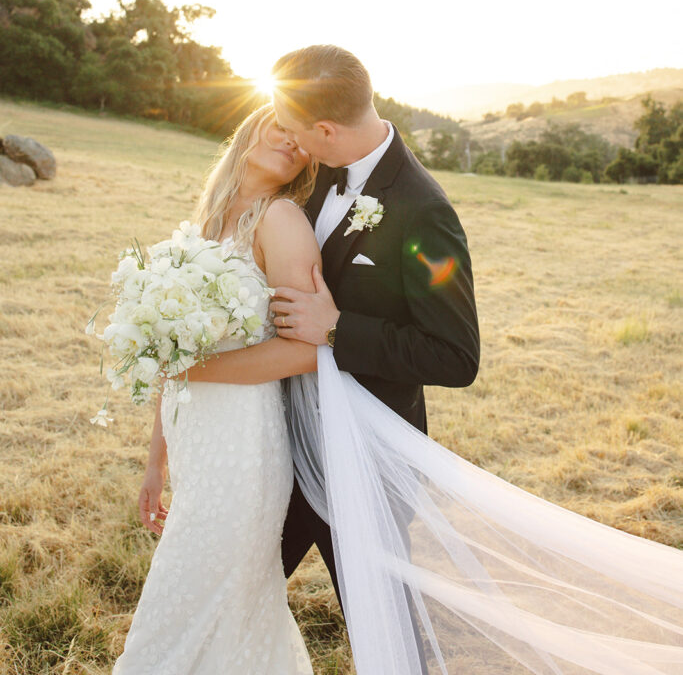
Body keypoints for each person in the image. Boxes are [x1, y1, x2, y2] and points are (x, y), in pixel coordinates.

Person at [177, 47, 683, 675]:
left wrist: (338, 329)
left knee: (382, 623)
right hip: (282, 437)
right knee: (234, 584)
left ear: (326, 130)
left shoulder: (423, 210)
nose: (292, 145)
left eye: (297, 132)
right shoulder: (322, 178)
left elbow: (455, 354)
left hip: (360, 452)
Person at [114, 104, 320, 675]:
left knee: (187, 601)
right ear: (251, 124)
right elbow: (172, 353)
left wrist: (192, 372)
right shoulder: (207, 220)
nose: (291, 141)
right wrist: (155, 461)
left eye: (304, 140)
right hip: (194, 440)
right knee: (233, 608)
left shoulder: (280, 219)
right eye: (281, 122)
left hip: (244, 446)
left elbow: (307, 349)